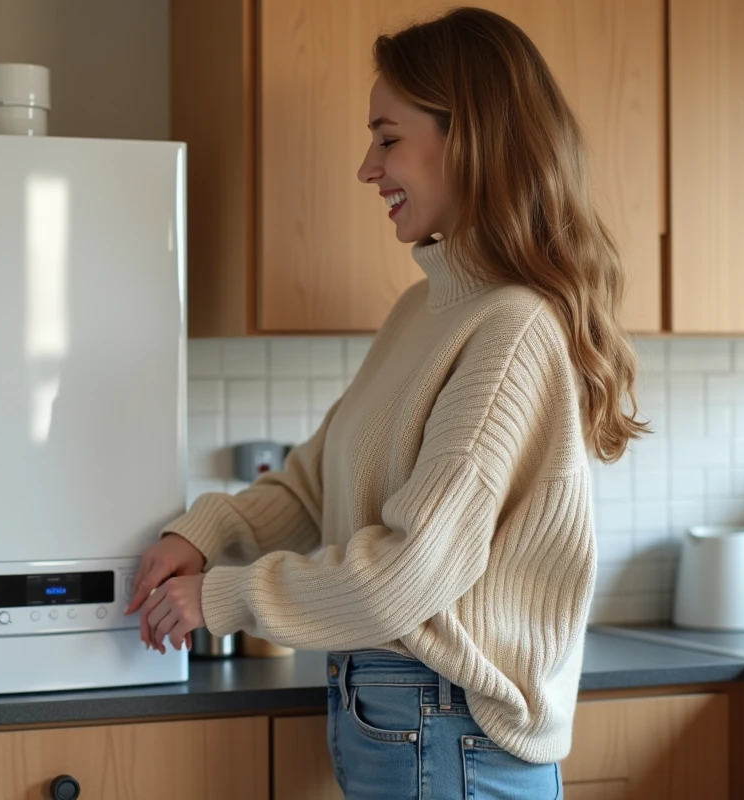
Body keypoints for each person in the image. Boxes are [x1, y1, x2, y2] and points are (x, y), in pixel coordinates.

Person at [125, 7, 648, 798]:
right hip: (404, 718)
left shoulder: (511, 331)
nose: (367, 168)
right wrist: (205, 535)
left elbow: (401, 577)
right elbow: (313, 481)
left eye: (388, 137)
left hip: (450, 731)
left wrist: (222, 597)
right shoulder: (425, 308)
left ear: (469, 138)